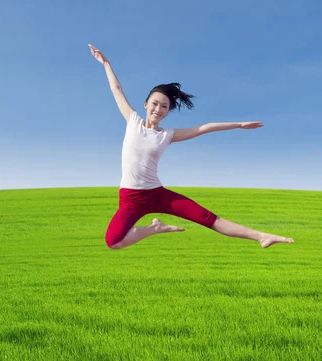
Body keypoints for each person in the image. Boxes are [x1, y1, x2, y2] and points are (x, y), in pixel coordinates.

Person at [89, 44, 294, 250]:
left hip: (157, 194)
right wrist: (106, 63)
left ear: (168, 111)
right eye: (155, 103)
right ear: (146, 104)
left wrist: (238, 125)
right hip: (130, 198)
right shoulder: (132, 121)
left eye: (164, 106)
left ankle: (261, 236)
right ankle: (155, 228)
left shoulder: (167, 135)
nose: (158, 109)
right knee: (113, 242)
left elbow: (203, 128)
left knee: (208, 218)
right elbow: (116, 89)